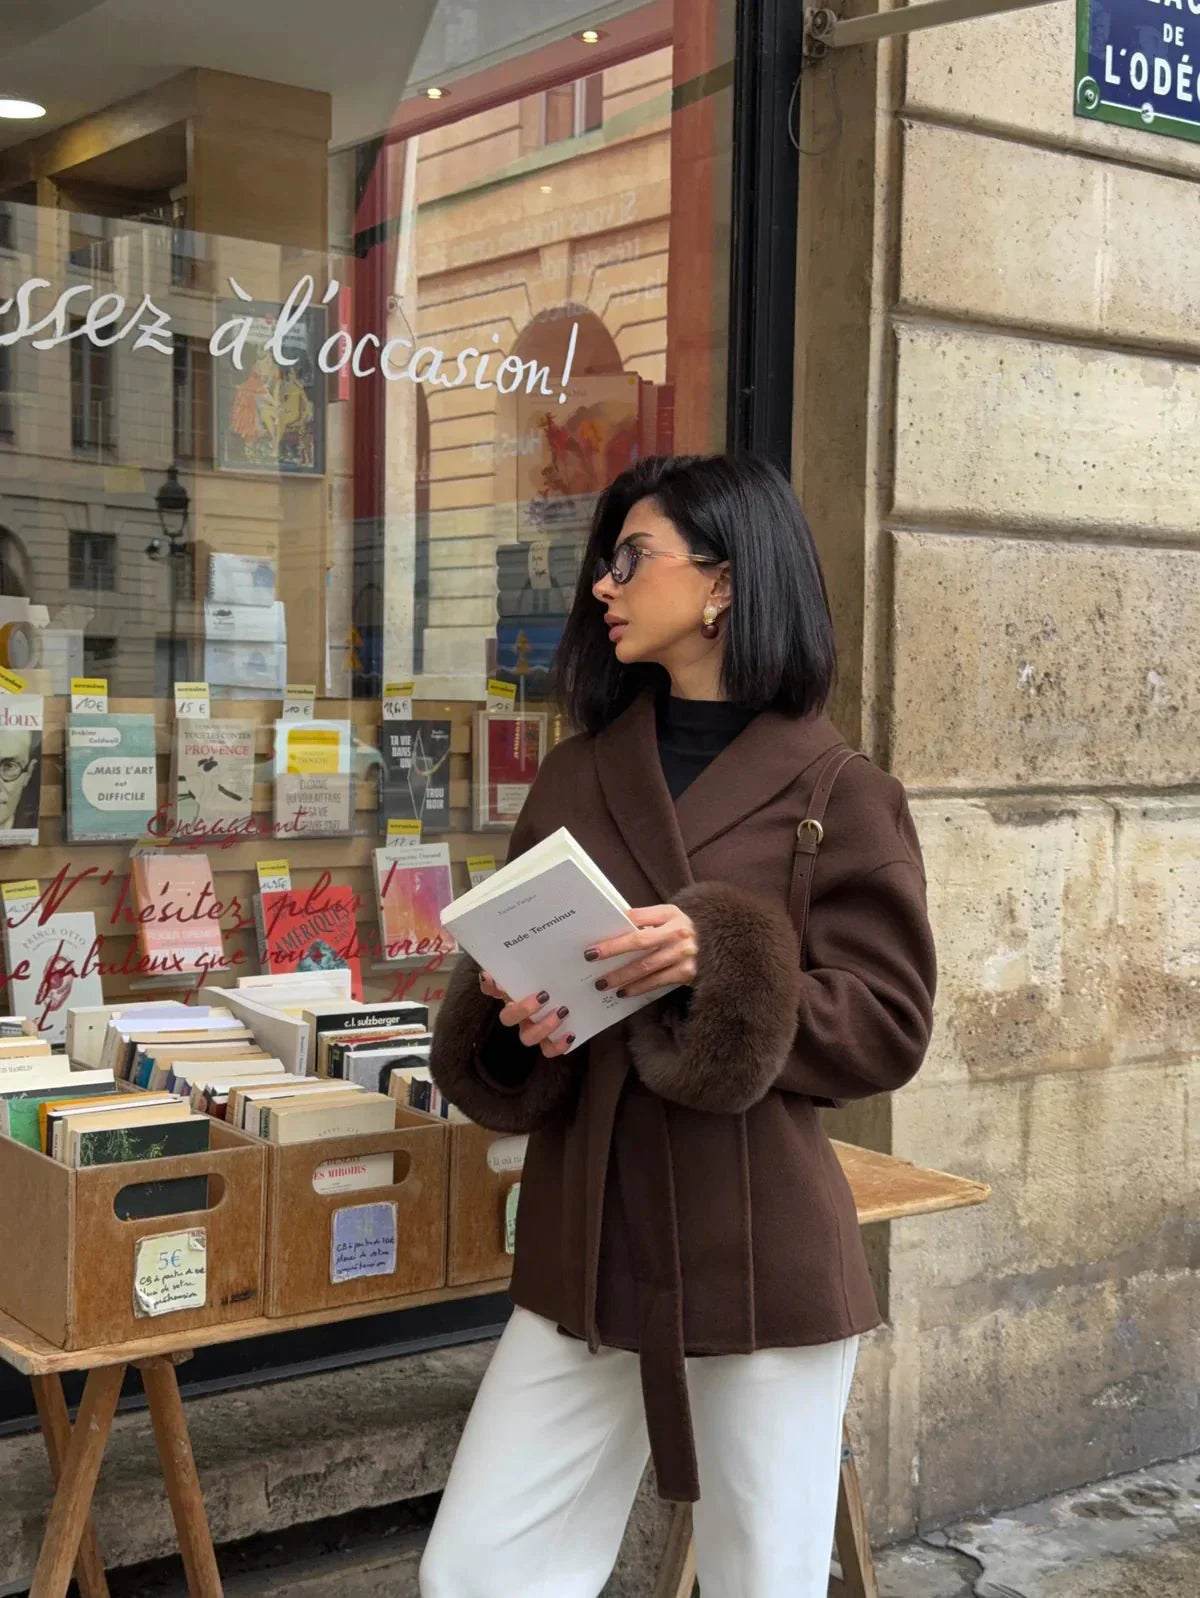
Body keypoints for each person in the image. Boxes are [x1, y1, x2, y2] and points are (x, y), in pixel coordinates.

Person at [421, 454, 937, 1598]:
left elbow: (890, 1021)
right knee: (478, 1569)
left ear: (724, 581)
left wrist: (725, 960)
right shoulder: (577, 771)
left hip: (754, 1237)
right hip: (587, 1233)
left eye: (631, 556)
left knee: (764, 1579)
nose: (602, 585)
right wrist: (513, 1016)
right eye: (605, 562)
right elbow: (517, 968)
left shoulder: (838, 788)